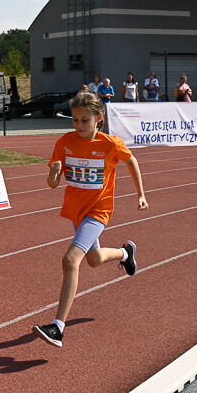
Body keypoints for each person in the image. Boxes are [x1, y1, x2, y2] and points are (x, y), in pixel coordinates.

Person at [33, 90, 148, 348]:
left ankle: (58, 327)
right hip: (77, 211)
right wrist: (53, 173)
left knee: (70, 259)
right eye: (75, 120)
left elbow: (132, 162)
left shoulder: (110, 144)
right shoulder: (64, 143)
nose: (79, 126)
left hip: (98, 211)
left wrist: (141, 194)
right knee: (94, 260)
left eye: (85, 120)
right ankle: (125, 253)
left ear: (99, 118)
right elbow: (52, 185)